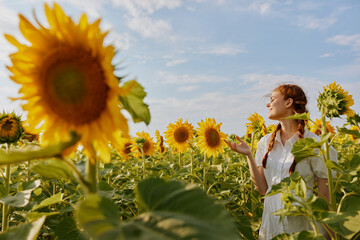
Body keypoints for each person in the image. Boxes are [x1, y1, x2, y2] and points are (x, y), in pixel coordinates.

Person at [225, 84, 336, 240]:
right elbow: (264, 190)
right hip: (271, 227)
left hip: (302, 231)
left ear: (288, 103)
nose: (268, 104)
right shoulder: (265, 142)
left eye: (272, 99)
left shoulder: (315, 143)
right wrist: (249, 155)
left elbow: (326, 201)